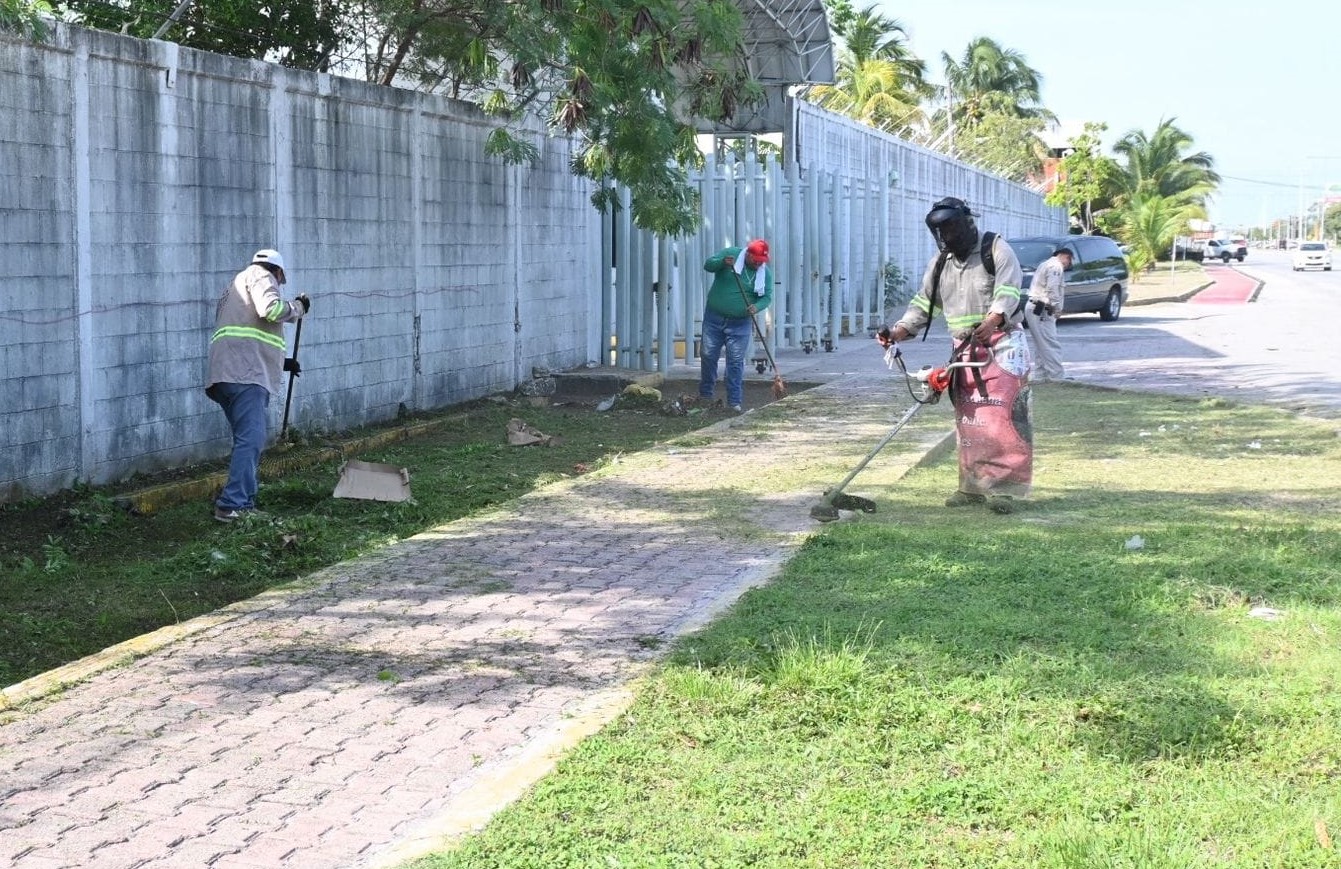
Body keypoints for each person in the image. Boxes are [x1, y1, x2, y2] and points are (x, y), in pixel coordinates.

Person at [876, 196, 1033, 514]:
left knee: (1001, 417)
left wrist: (993, 319)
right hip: (964, 349)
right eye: (940, 231)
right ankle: (972, 488)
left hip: (1002, 344)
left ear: (966, 223)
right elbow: (924, 305)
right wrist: (897, 332)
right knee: (969, 418)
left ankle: (1007, 490)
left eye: (950, 227)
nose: (946, 235)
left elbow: (1009, 292)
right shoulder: (940, 264)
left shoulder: (996, 250)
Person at [205, 249, 310, 522]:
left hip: (229, 372)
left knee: (249, 440)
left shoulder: (237, 284)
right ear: (277, 271)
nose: (279, 284)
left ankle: (244, 504)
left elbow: (249, 331)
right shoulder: (262, 275)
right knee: (251, 440)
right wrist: (297, 307)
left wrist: (283, 362)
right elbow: (271, 309)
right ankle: (232, 504)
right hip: (245, 374)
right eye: (280, 280)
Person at [699, 238, 773, 412]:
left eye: (761, 262)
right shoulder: (730, 254)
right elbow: (708, 265)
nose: (758, 265)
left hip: (740, 323)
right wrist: (721, 263)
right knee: (708, 355)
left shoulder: (764, 273)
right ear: (747, 254)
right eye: (755, 261)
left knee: (735, 362)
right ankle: (705, 396)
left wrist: (757, 307)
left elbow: (767, 297)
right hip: (714, 317)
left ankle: (734, 402)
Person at [1025, 247, 1071, 381]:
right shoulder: (1055, 266)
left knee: (1041, 344)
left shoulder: (1045, 264)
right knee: (1050, 343)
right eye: (1069, 261)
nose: (1068, 265)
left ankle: (1041, 375)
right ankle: (1057, 376)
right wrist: (1057, 308)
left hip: (1036, 307)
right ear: (1066, 256)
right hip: (1043, 309)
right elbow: (1052, 288)